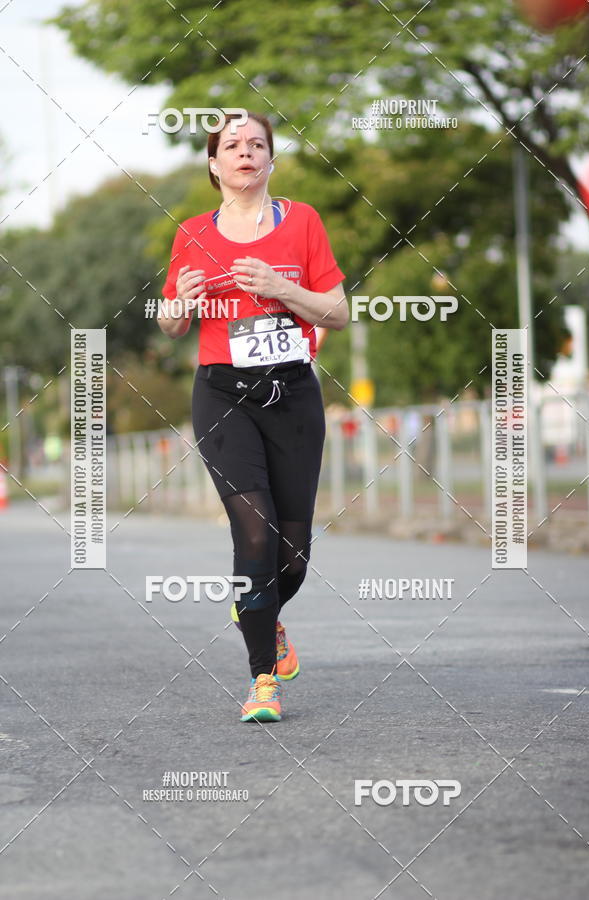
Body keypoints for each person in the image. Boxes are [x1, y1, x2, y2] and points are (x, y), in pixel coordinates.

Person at [159, 110, 348, 723]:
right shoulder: (192, 233)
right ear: (214, 164)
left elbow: (338, 313)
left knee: (292, 554)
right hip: (222, 396)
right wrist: (179, 306)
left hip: (292, 395)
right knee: (256, 533)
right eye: (232, 145)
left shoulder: (304, 222)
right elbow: (170, 323)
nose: (245, 152)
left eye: (257, 144)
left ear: (271, 159)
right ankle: (262, 678)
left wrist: (280, 287)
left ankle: (260, 612)